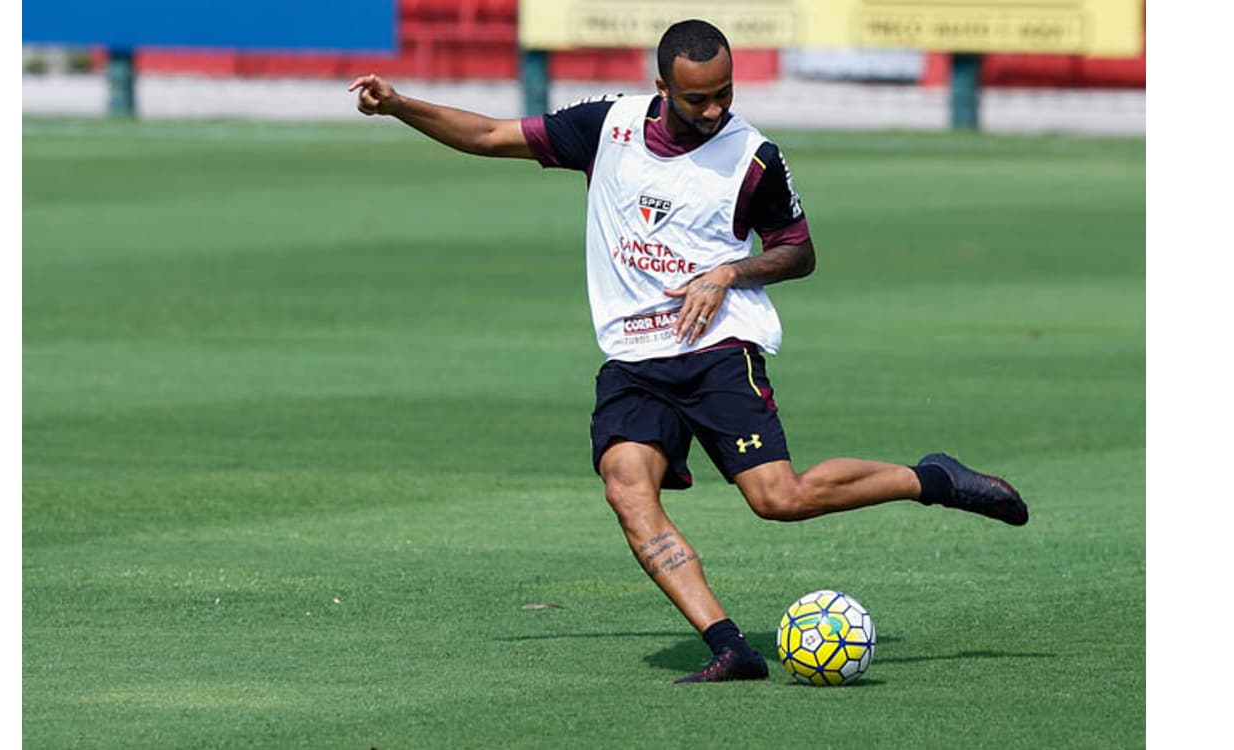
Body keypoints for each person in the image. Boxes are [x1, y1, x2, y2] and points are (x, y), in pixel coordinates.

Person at [348, 19, 1028, 684]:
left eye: (724, 93)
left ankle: (930, 478)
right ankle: (730, 646)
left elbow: (799, 251)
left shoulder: (753, 157)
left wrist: (728, 272)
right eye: (696, 98)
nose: (713, 110)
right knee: (626, 489)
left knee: (778, 499)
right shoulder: (607, 127)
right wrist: (401, 105)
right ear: (661, 87)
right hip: (632, 359)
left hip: (717, 348)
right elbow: (493, 134)